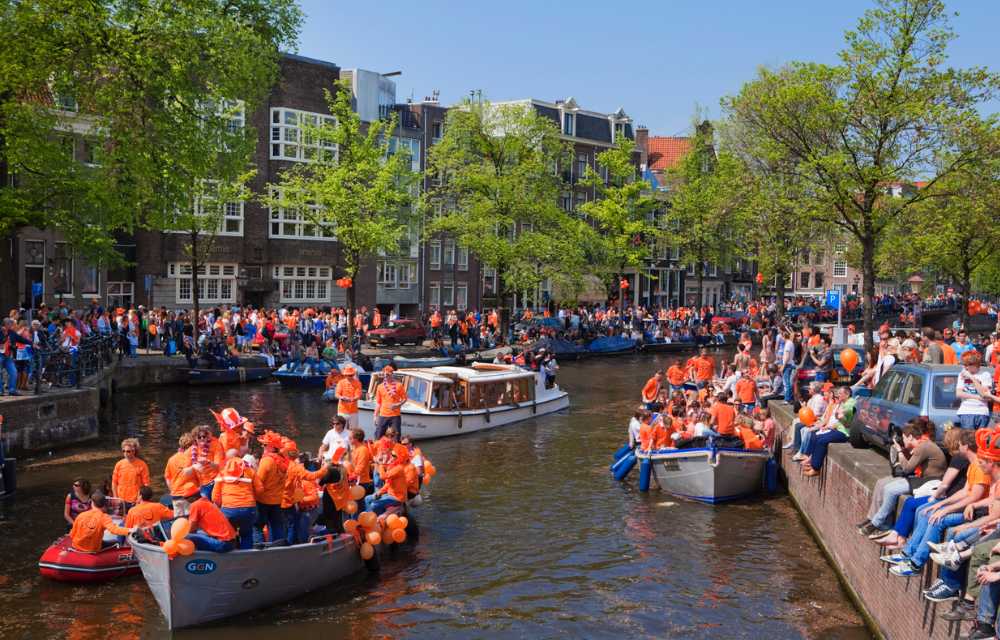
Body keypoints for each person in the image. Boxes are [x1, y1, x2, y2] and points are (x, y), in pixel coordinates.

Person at [858, 419, 947, 537]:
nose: (903, 440)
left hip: (930, 481)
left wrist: (899, 450)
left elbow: (906, 469)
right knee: (886, 486)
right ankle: (883, 525)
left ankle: (876, 523)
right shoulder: (923, 445)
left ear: (910, 437)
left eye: (904, 438)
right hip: (924, 479)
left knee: (890, 489)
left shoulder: (923, 447)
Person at [801, 386, 856, 477]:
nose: (838, 396)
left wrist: (841, 413)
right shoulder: (843, 402)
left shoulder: (851, 402)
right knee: (818, 437)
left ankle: (815, 468)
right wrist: (831, 424)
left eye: (840, 394)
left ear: (847, 394)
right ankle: (812, 462)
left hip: (845, 433)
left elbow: (848, 410)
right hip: (839, 429)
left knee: (822, 441)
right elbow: (840, 419)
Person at [212, 450, 257, 550]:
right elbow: (260, 489)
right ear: (240, 457)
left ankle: (233, 555)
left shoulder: (222, 473)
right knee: (246, 534)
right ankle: (247, 556)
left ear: (228, 459)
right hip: (248, 508)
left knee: (229, 535)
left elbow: (215, 496)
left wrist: (220, 505)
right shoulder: (250, 470)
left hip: (228, 509)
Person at [253, 430, 288, 544]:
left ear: (271, 447)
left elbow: (258, 481)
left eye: (264, 445)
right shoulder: (284, 461)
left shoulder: (267, 461)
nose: (262, 447)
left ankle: (259, 551)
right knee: (277, 526)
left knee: (257, 526)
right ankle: (279, 550)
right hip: (278, 500)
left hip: (263, 500)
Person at [69, 493, 135, 552]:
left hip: (76, 546)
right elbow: (114, 530)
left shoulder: (81, 515)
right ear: (105, 505)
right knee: (116, 542)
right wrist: (132, 530)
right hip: (92, 548)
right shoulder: (104, 517)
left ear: (92, 503)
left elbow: (72, 534)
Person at [957, 350, 997, 430]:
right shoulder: (962, 375)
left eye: (967, 365)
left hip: (981, 412)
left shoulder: (985, 375)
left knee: (981, 440)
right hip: (966, 411)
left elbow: (983, 393)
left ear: (975, 364)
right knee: (968, 440)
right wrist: (978, 397)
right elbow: (959, 393)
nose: (965, 367)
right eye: (964, 364)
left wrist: (972, 378)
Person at [164, 432, 200, 517]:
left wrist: (173, 490)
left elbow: (167, 478)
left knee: (178, 522)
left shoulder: (171, 459)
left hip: (176, 496)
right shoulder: (193, 458)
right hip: (191, 495)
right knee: (191, 520)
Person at [111, 438, 149, 510]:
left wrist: (140, 499)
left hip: (135, 501)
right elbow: (114, 482)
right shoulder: (119, 464)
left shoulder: (142, 465)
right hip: (121, 500)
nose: (125, 453)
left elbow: (146, 485)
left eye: (128, 451)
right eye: (123, 451)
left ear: (134, 451)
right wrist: (115, 497)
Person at [374, 366, 406, 440]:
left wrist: (398, 404)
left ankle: (395, 450)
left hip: (395, 415)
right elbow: (378, 402)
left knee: (396, 437)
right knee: (378, 436)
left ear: (392, 374)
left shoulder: (399, 385)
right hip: (383, 414)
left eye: (387, 374)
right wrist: (375, 415)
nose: (386, 376)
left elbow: (404, 399)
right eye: (384, 374)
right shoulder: (380, 387)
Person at [334, 365, 363, 429]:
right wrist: (342, 398)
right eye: (348, 375)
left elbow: (358, 395)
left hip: (353, 411)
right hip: (342, 410)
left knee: (354, 429)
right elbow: (337, 394)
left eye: (351, 375)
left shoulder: (358, 383)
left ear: (353, 374)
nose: (350, 376)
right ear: (345, 375)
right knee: (341, 429)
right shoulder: (341, 382)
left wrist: (353, 399)